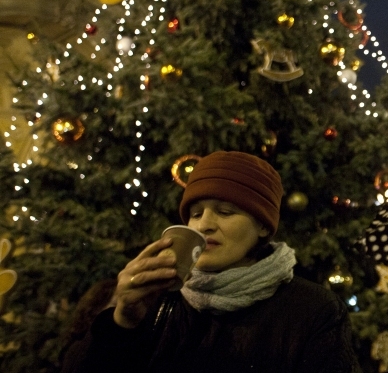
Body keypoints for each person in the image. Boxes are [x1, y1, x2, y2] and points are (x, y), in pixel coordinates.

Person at [64, 151, 360, 373]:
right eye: (195, 213)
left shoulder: (313, 310)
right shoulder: (157, 296)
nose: (204, 224)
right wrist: (122, 321)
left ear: (262, 226)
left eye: (226, 211)